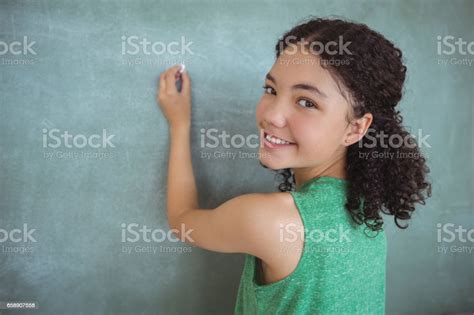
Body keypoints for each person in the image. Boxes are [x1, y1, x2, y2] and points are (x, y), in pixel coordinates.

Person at [157, 16, 432, 315]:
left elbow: (182, 220)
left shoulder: (268, 220)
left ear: (355, 129)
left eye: (307, 102)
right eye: (271, 90)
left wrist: (180, 124)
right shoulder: (365, 212)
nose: (272, 116)